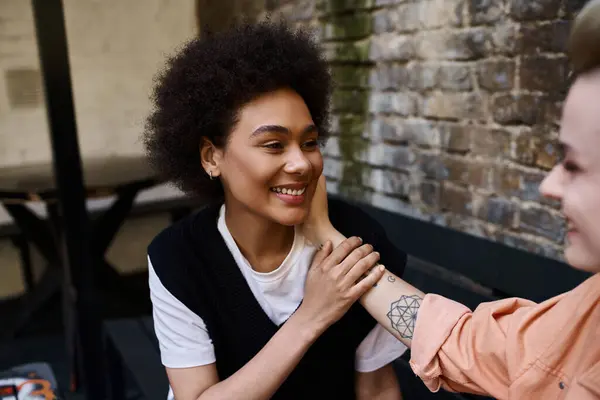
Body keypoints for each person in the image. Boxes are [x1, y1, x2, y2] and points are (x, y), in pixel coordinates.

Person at [301, 1, 600, 398]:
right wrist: (327, 234)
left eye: (574, 165)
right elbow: (466, 342)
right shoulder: (588, 314)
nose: (549, 185)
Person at [142, 20, 409, 400]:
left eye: (310, 141)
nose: (301, 163)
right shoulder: (179, 257)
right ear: (211, 156)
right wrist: (312, 316)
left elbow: (378, 389)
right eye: (273, 145)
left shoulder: (354, 237)